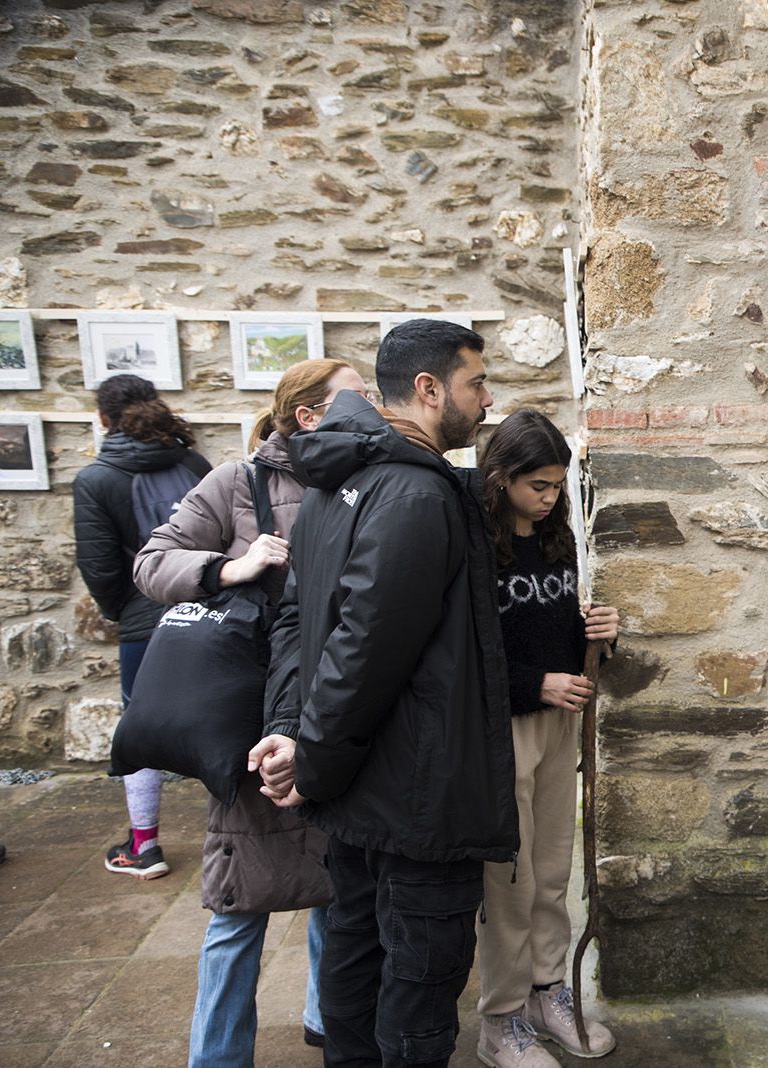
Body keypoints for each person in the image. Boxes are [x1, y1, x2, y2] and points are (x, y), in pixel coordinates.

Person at [250, 319, 518, 1068]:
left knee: (355, 964)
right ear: (429, 390)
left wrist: (294, 735)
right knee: (415, 996)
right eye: (476, 383)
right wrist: (308, 757)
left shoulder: (338, 485)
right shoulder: (411, 494)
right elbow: (359, 649)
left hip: (366, 791)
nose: (487, 399)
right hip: (413, 798)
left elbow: (306, 627)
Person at [133, 358, 369, 1066]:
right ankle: (218, 1055)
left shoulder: (363, 480)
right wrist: (228, 567)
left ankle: (329, 1019)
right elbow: (152, 563)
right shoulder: (236, 482)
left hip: (331, 708)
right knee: (239, 898)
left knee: (336, 880)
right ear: (308, 415)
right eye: (356, 400)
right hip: (248, 716)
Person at [474, 412, 619, 1067]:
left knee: (554, 870)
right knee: (510, 878)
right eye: (537, 484)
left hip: (561, 727)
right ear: (500, 478)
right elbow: (466, 656)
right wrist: (538, 685)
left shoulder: (557, 539)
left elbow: (555, 630)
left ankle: (545, 991)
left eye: (558, 485)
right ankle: (500, 1019)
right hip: (502, 730)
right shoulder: (473, 543)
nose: (549, 497)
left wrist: (600, 636)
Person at [74, 374, 211, 880]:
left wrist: (125, 613)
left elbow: (101, 568)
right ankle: (253, 841)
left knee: (138, 730)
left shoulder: (96, 479)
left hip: (144, 622)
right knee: (231, 715)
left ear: (104, 418)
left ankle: (144, 845)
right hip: (210, 611)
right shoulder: (192, 462)